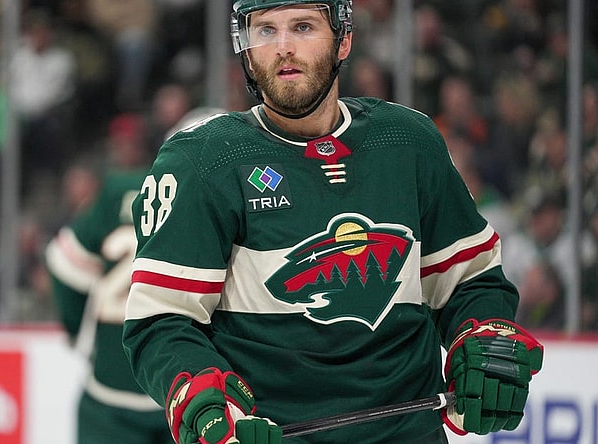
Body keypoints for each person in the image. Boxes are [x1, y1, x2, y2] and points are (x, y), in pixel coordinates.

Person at [122, 2, 544, 443]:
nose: (282, 47)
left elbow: (468, 280)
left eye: (302, 27)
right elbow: (163, 320)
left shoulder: (409, 144)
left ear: (344, 39)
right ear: (245, 50)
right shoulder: (204, 161)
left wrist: (482, 333)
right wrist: (201, 400)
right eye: (265, 31)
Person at [44, 114, 173, 444]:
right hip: (175, 379)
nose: (122, 150)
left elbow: (63, 260)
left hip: (110, 387)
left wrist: (76, 329)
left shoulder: (113, 190)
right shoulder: (191, 191)